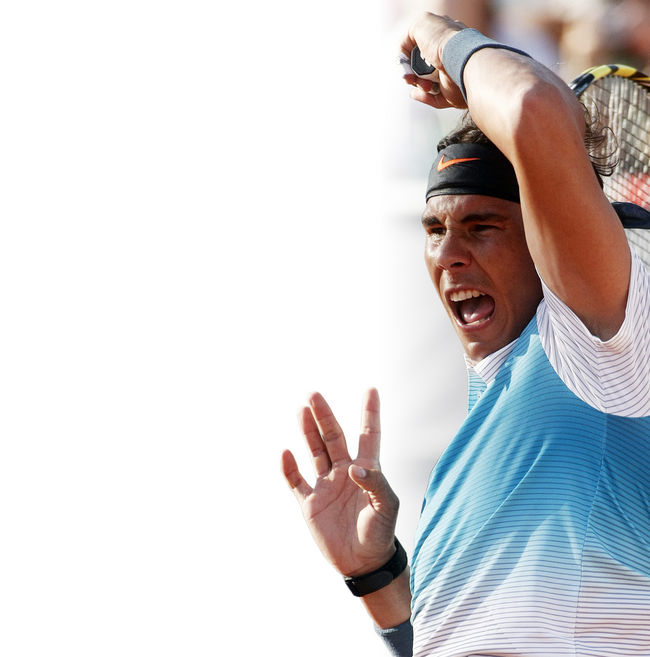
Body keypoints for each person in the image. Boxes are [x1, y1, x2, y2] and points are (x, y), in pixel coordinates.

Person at [281, 11, 650, 657]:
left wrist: (447, 40)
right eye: (434, 229)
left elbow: (533, 106)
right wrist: (377, 575)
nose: (448, 254)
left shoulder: (596, 345)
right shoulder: (481, 436)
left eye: (482, 227)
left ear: (546, 242)